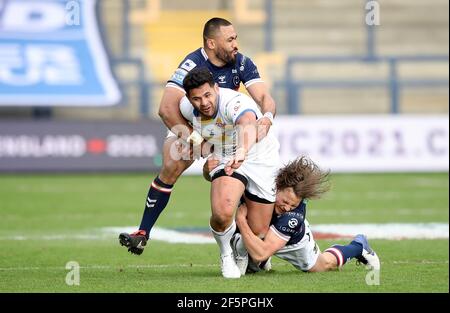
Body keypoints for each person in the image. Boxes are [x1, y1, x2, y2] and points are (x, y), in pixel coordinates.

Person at [119, 17, 276, 255]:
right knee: (171, 162)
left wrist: (267, 116)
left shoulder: (241, 62)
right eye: (230, 39)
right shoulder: (192, 64)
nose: (236, 44)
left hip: (227, 127)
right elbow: (167, 109)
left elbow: (264, 97)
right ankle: (142, 233)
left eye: (236, 38)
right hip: (197, 126)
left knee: (244, 174)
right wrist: (195, 140)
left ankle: (248, 227)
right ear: (211, 43)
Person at [177, 67, 280, 278]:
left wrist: (242, 151)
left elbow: (248, 123)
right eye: (196, 99)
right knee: (222, 212)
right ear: (189, 99)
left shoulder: (234, 102)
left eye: (207, 95)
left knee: (259, 231)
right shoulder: (186, 108)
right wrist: (197, 144)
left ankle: (240, 248)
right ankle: (226, 255)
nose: (204, 103)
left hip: (260, 156)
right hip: (226, 156)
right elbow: (190, 128)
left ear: (216, 88)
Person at [204, 156, 381, 274]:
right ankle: (253, 259)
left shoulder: (292, 217)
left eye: (293, 205)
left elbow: (262, 252)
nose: (287, 207)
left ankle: (358, 246)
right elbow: (223, 182)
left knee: (321, 265)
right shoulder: (262, 183)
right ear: (277, 186)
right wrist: (208, 170)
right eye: (286, 201)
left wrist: (241, 221)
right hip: (263, 232)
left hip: (289, 241)